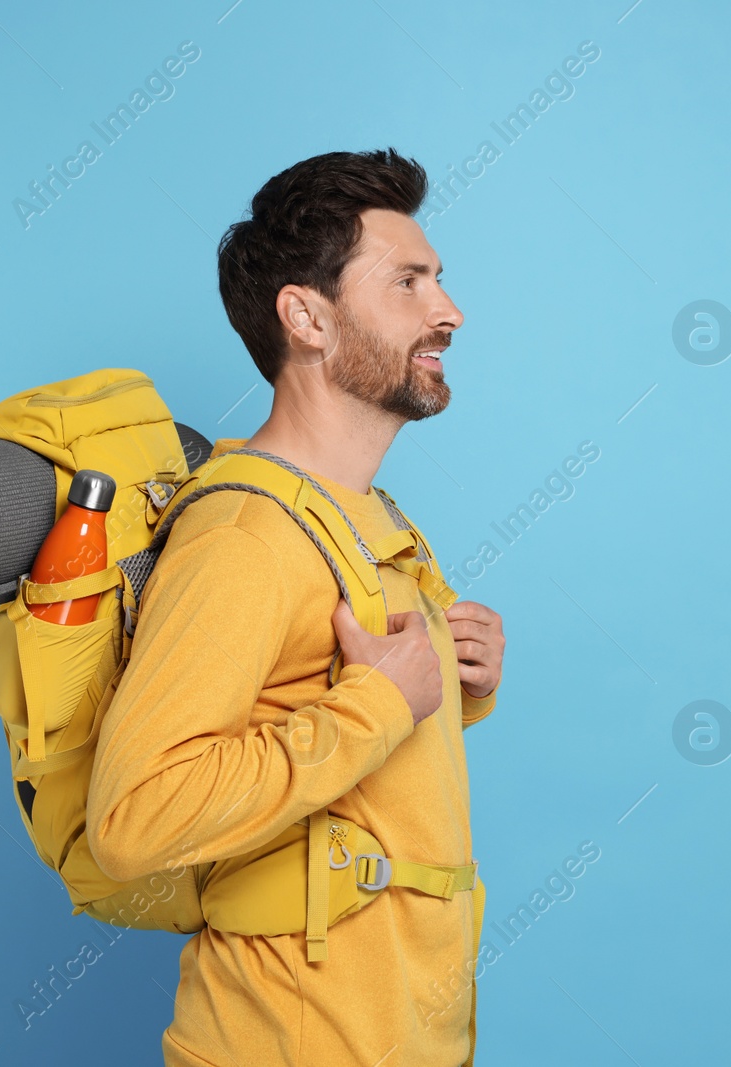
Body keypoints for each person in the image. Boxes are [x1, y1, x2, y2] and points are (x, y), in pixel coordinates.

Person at [86, 148, 505, 1066]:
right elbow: (133, 818)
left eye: (439, 278)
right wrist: (380, 704)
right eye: (408, 282)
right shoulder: (243, 535)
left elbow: (357, 748)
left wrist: (454, 677)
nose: (449, 310)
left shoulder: (371, 516)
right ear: (307, 316)